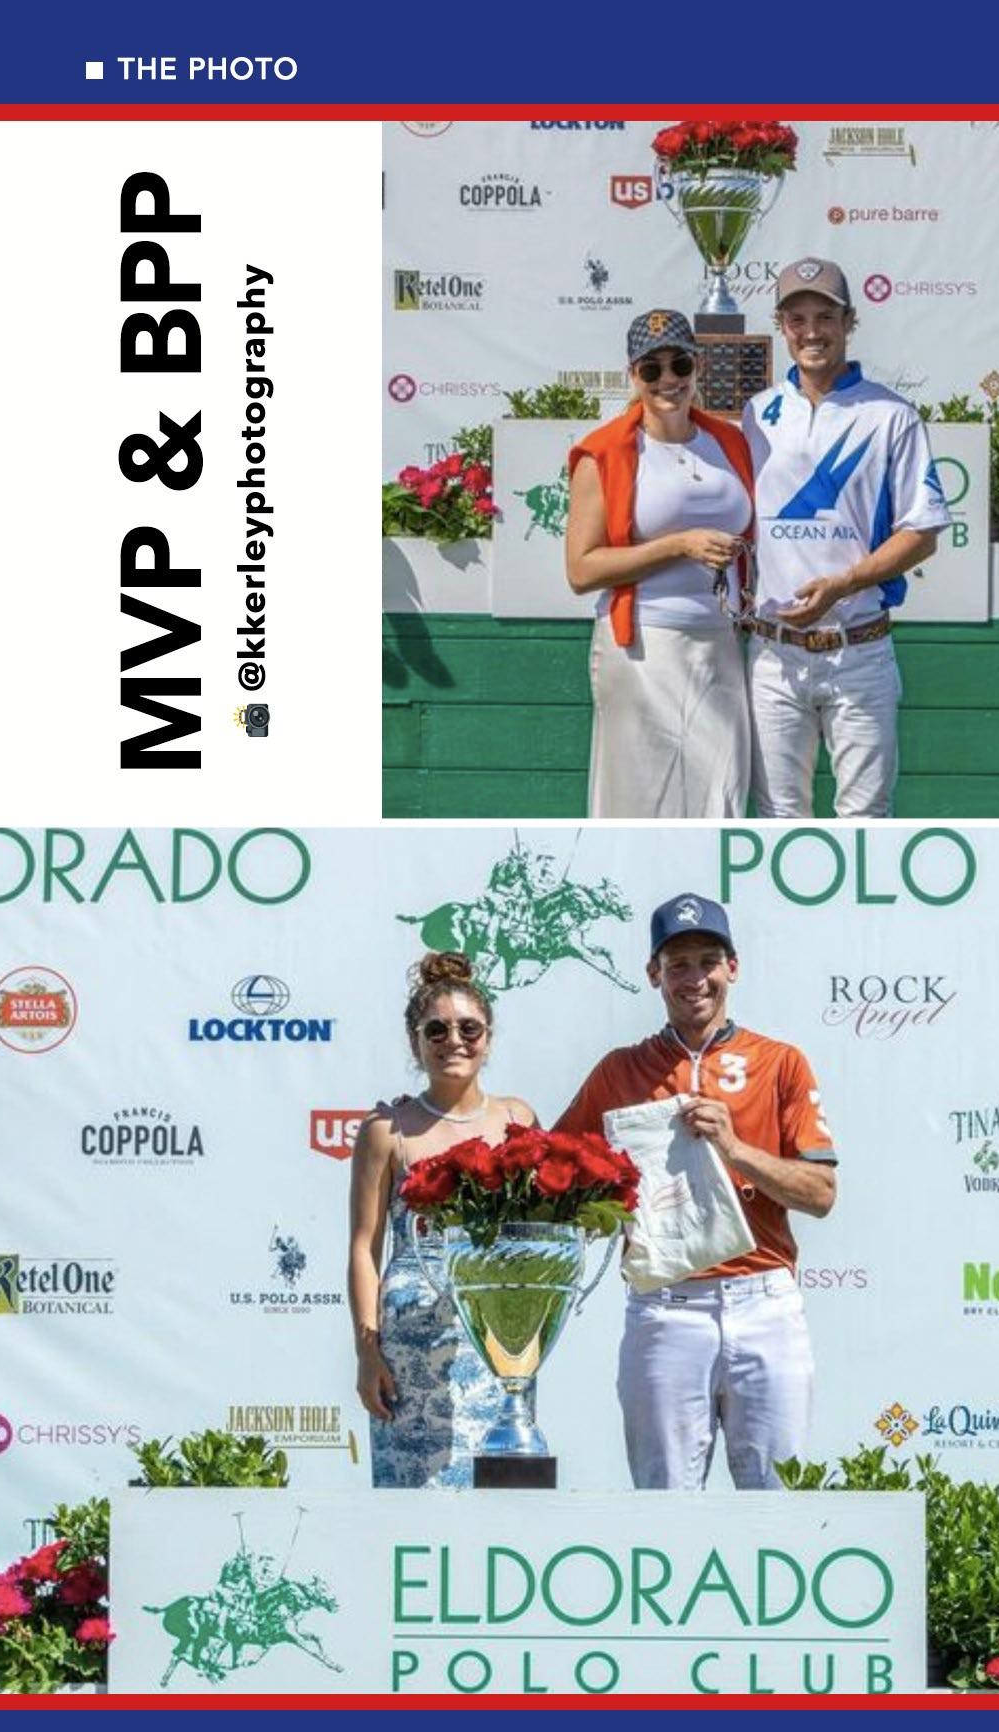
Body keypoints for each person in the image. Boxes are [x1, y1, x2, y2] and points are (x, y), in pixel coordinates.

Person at [555, 892, 837, 1490]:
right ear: (653, 973)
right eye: (677, 964)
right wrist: (606, 1209)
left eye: (708, 961)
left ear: (733, 967)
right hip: (665, 1305)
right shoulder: (619, 1070)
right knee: (665, 1508)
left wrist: (735, 1149)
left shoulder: (780, 1062)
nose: (695, 979)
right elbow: (558, 1180)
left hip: (765, 1301)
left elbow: (820, 1193)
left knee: (778, 1503)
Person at [742, 257, 952, 817]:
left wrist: (844, 583)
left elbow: (922, 531)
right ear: (781, 326)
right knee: (777, 820)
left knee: (866, 821)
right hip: (773, 654)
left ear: (849, 322)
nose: (811, 332)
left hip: (858, 649)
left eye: (825, 317)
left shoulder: (891, 414)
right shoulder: (756, 413)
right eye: (797, 319)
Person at [348, 951, 537, 1486]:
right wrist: (367, 1353)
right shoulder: (386, 1129)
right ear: (416, 1043)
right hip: (411, 1343)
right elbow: (364, 1249)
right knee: (415, 1502)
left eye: (469, 1028)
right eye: (437, 1030)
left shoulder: (518, 1118)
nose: (454, 1040)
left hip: (499, 1335)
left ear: (488, 1038)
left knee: (503, 1496)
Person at [565, 308, 756, 820]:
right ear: (634, 375)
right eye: (652, 368)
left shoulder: (729, 441)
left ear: (698, 366)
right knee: (641, 799)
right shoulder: (603, 452)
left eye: (679, 365)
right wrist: (677, 546)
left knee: (722, 794)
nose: (668, 379)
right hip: (644, 646)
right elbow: (582, 570)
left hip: (719, 642)